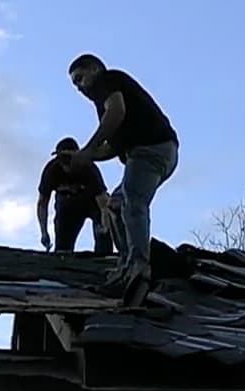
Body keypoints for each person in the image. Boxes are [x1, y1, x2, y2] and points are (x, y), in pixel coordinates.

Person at [66, 53, 179, 300]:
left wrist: (87, 150)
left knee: (132, 202)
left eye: (80, 79)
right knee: (115, 205)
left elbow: (116, 113)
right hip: (149, 153)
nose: (80, 88)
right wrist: (83, 156)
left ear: (94, 70)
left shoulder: (108, 81)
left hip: (152, 149)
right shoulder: (102, 104)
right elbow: (112, 148)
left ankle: (139, 266)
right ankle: (126, 264)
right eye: (75, 85)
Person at [37, 137, 114, 254]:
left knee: (103, 233)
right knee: (62, 250)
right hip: (67, 206)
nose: (66, 163)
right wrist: (43, 232)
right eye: (62, 159)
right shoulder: (51, 171)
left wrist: (105, 227)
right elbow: (42, 203)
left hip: (92, 203)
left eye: (69, 159)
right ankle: (63, 256)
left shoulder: (88, 169)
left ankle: (103, 256)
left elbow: (103, 204)